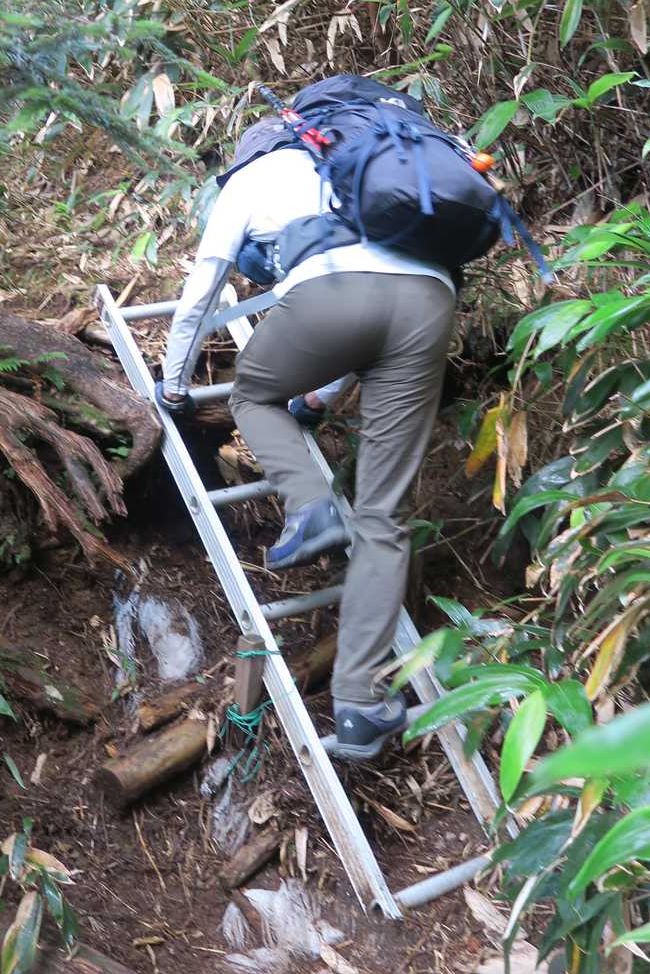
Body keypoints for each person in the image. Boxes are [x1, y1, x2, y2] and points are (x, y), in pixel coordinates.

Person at [157, 118, 457, 760]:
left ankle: (311, 506)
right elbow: (378, 320)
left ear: (249, 153)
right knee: (382, 517)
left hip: (330, 296)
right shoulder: (360, 165)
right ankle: (359, 705)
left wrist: (175, 384)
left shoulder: (252, 179)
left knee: (251, 395)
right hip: (431, 301)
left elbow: (203, 287)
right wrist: (320, 397)